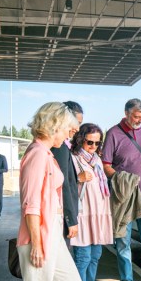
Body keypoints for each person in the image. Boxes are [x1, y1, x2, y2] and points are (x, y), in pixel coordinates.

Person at [16, 101, 83, 281]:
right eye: (67, 129)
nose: (69, 134)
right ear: (54, 125)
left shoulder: (46, 154)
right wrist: (36, 242)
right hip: (39, 234)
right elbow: (30, 204)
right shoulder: (36, 154)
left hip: (51, 232)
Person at [102, 98, 141, 281]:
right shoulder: (113, 134)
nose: (140, 120)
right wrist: (119, 178)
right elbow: (106, 164)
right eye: (136, 116)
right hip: (123, 196)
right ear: (126, 114)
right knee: (123, 241)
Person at [70, 123, 113, 281]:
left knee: (95, 256)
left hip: (99, 213)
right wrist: (78, 177)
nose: (93, 146)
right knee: (83, 258)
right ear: (81, 139)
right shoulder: (73, 158)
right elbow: (65, 183)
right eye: (89, 142)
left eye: (97, 143)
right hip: (83, 214)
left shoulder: (96, 159)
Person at [51, 101, 84, 246]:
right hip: (61, 217)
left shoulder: (62, 146)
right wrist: (71, 219)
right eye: (76, 122)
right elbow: (63, 184)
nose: (77, 128)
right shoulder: (59, 148)